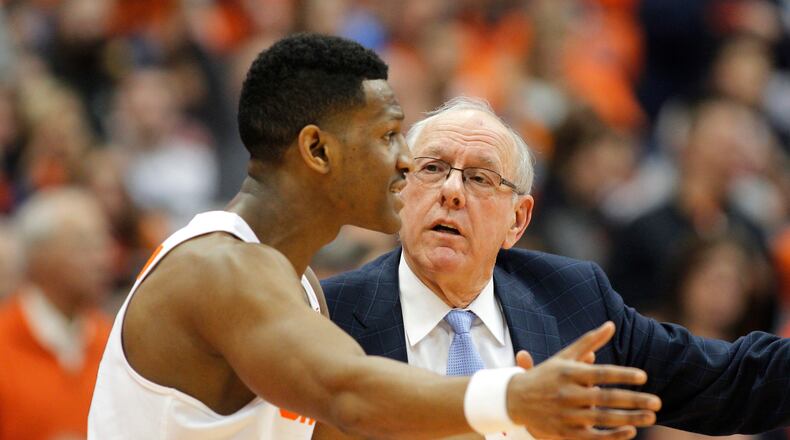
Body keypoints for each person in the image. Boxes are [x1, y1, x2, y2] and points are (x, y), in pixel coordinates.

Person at [88, 34, 660, 440]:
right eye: (389, 135)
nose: (408, 160)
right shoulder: (219, 267)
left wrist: (523, 432)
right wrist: (514, 397)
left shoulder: (300, 287)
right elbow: (352, 397)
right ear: (318, 151)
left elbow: (366, 431)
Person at [321, 97, 790, 438]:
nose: (452, 190)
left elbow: (728, 381)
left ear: (518, 220)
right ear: (400, 190)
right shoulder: (330, 315)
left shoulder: (573, 299)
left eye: (480, 178)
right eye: (432, 169)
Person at [0, 187, 113, 440]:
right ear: (39, 256)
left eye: (103, 244)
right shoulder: (5, 339)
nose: (102, 260)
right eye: (84, 245)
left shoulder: (115, 342)